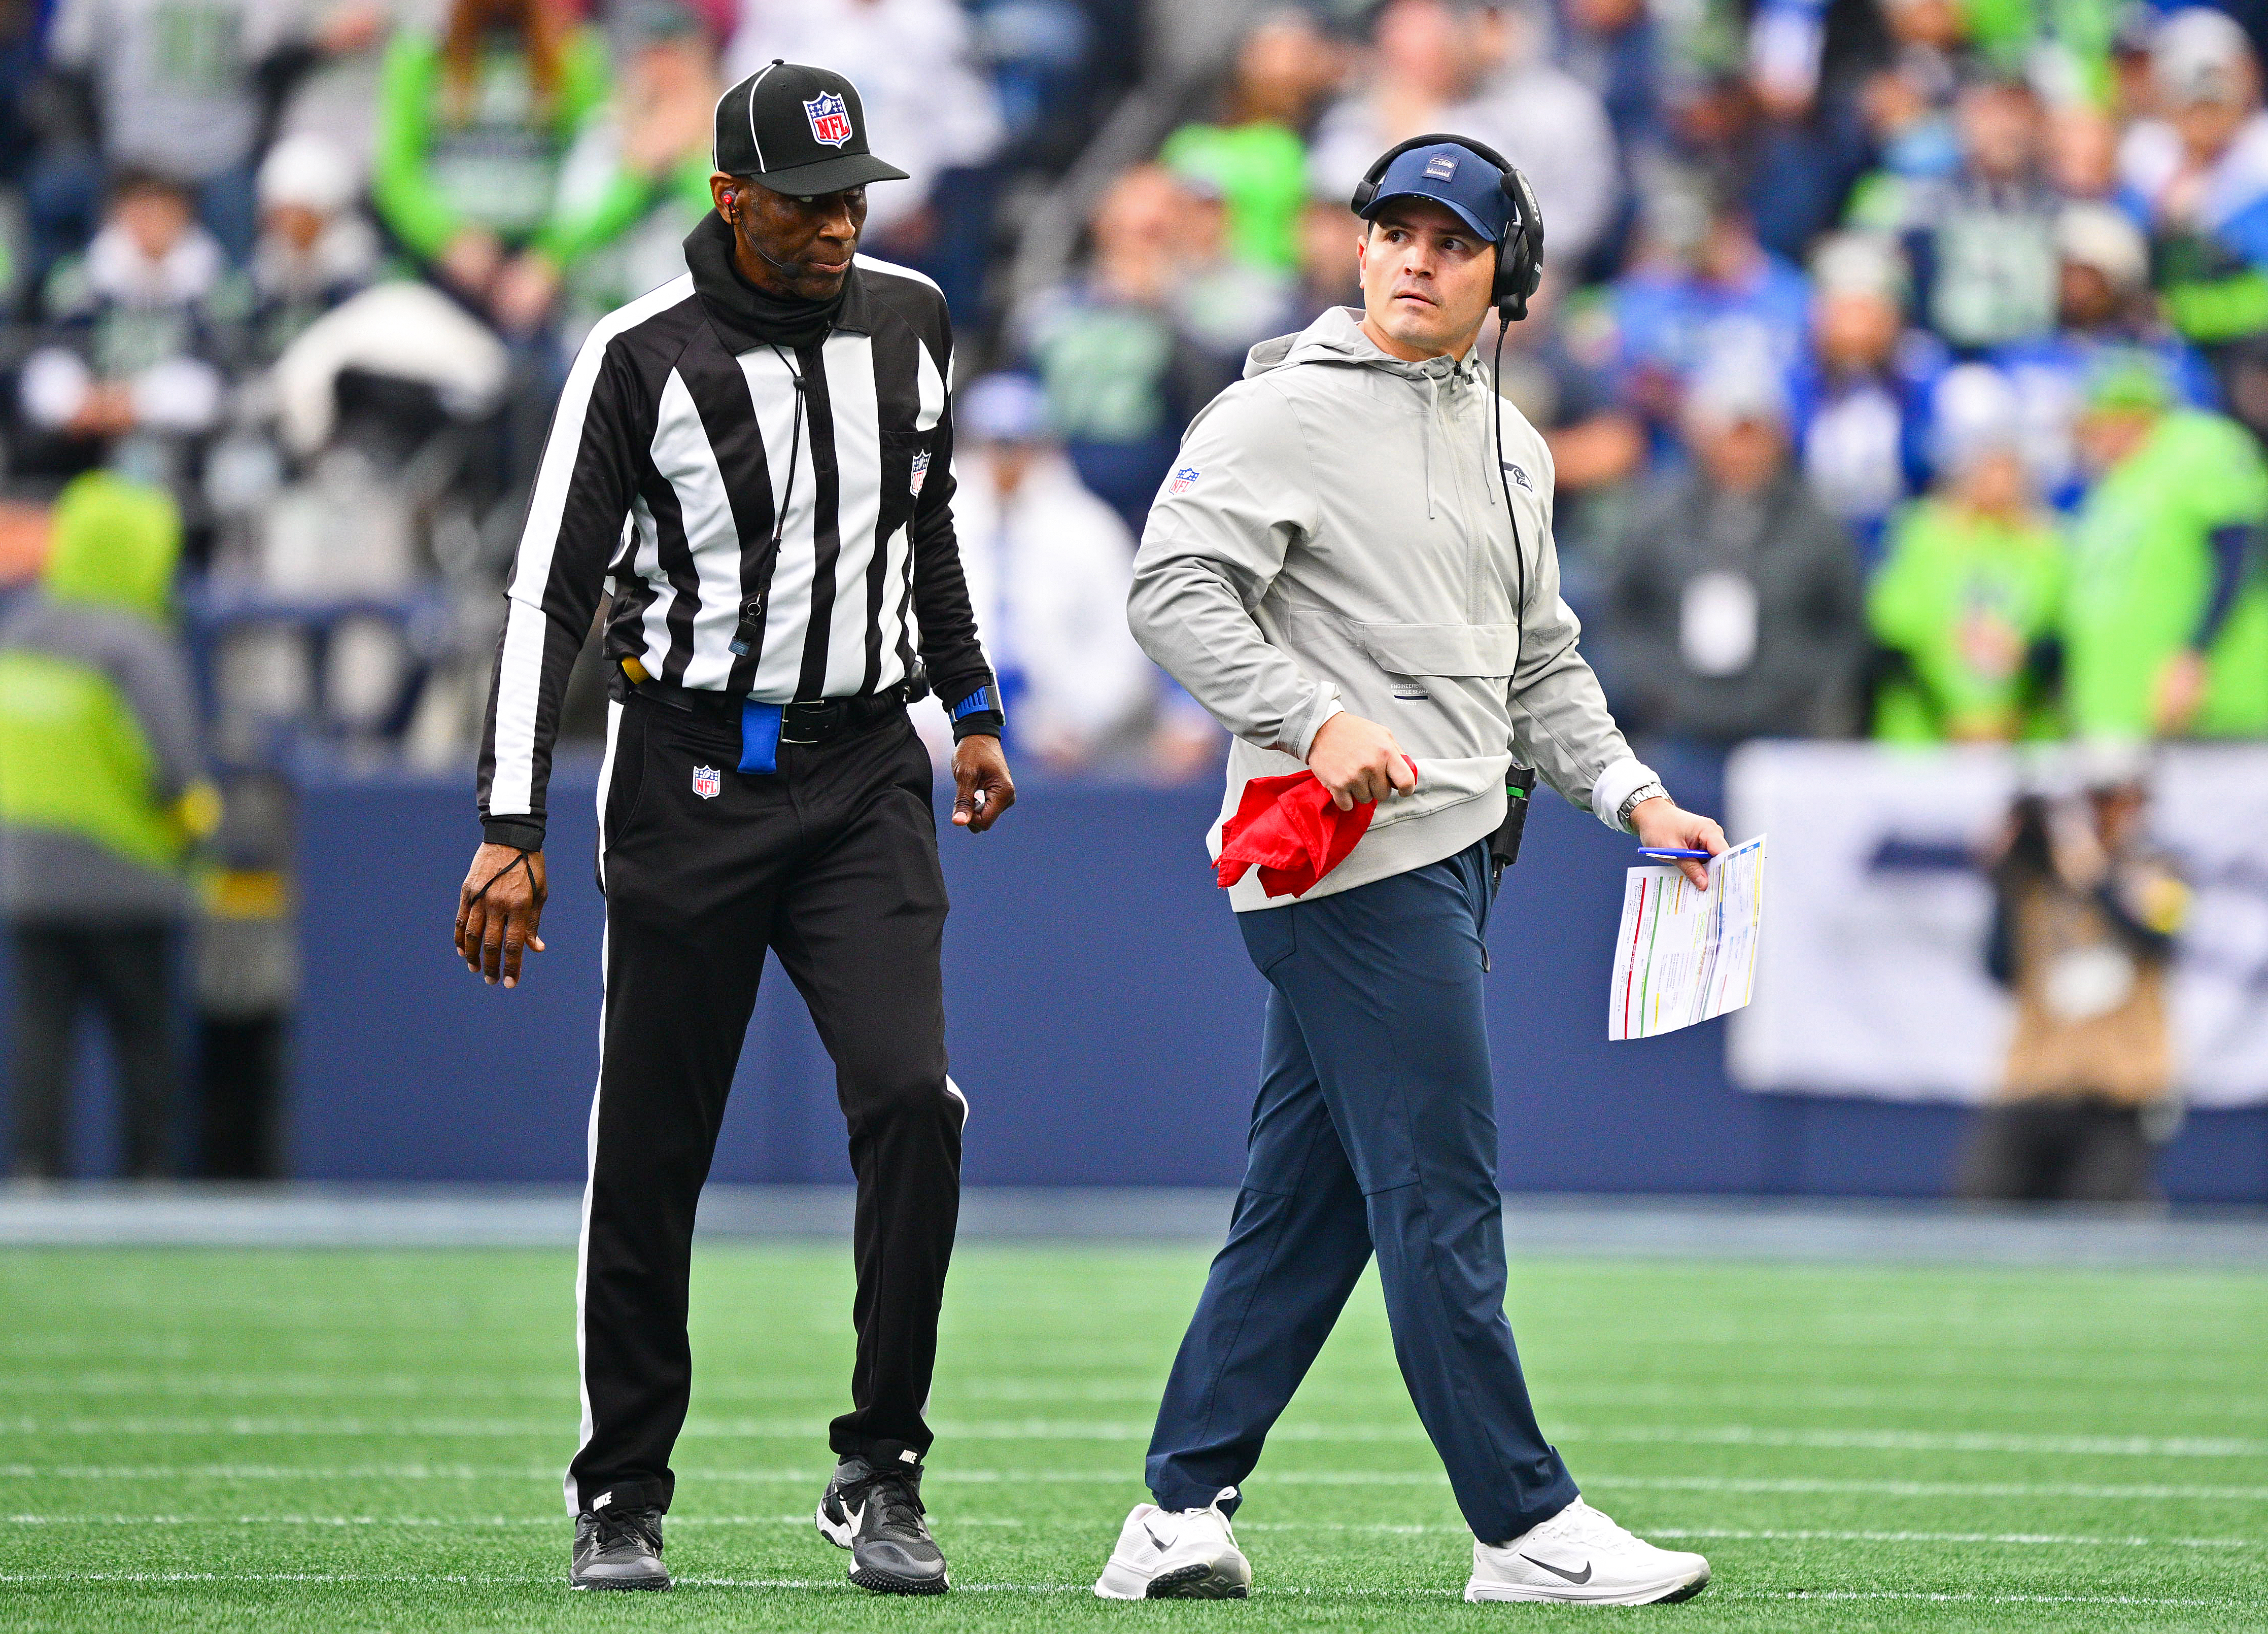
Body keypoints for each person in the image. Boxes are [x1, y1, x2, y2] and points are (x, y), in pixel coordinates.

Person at [1102, 135, 1723, 1607]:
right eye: (1392, 230)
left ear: (1509, 275)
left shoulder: (1512, 437)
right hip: (1341, 859)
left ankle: (1175, 1509)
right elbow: (1169, 589)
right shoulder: (1278, 411)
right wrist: (1312, 718)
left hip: (1456, 847)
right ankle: (1521, 1519)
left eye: (1449, 241)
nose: (1412, 259)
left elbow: (1536, 659)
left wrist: (1631, 791)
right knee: (1439, 1185)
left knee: (1304, 1207)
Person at [451, 63, 1015, 1596]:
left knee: (912, 1099)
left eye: (852, 199)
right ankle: (622, 1481)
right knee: (652, 1140)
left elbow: (924, 517)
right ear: (727, 196)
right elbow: (545, 598)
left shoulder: (910, 318)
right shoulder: (636, 356)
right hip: (690, 763)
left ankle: (880, 1462)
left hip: (860, 770)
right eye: (809, 202)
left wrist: (968, 704)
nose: (839, 226)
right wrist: (513, 819)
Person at [0, 473, 211, 1178]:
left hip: (27, 876)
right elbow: (177, 763)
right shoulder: (136, 644)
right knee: (144, 1040)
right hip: (128, 879)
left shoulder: (18, 630)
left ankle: (33, 1173)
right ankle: (150, 1179)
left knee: (39, 1039)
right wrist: (196, 833)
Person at [1599, 357, 1868, 741]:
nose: (1742, 452)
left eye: (1754, 436)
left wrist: (1807, 694)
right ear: (1702, 437)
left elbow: (1845, 623)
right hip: (1675, 727)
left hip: (1784, 726)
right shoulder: (1659, 517)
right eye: (1730, 436)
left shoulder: (1817, 524)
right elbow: (1621, 610)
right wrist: (1652, 692)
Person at [1958, 760, 2187, 1203]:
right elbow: (1999, 968)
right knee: (1980, 1209)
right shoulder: (2033, 884)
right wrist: (2004, 874)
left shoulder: (2163, 872)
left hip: (2118, 1089)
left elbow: (2161, 941)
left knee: (2100, 1227)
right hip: (2034, 1081)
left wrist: (2094, 876)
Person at [943, 372, 1171, 772]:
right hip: (947, 733)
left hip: (1063, 743)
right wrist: (927, 724)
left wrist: (1079, 721)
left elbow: (1125, 640)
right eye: (994, 445)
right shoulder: (933, 523)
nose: (1006, 461)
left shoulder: (1089, 527)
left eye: (1018, 446)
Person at [370, 0, 623, 338]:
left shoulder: (573, 48)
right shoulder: (422, 50)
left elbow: (597, 171)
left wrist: (549, 259)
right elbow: (396, 172)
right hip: (443, 269)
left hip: (542, 274)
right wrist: (448, 239)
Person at [2061, 353, 2268, 739]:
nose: (2088, 439)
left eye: (2095, 424)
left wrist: (2195, 652)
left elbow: (2241, 552)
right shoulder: (2111, 484)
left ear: (2131, 414)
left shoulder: (2199, 445)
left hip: (2211, 709)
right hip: (2125, 716)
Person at [1868, 363, 2066, 741]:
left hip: (2021, 740)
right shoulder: (1921, 533)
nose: (1998, 478)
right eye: (1986, 463)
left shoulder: (2047, 542)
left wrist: (2012, 713)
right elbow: (1895, 642)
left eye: (2007, 464)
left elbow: (2057, 645)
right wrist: (1951, 714)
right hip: (1927, 743)